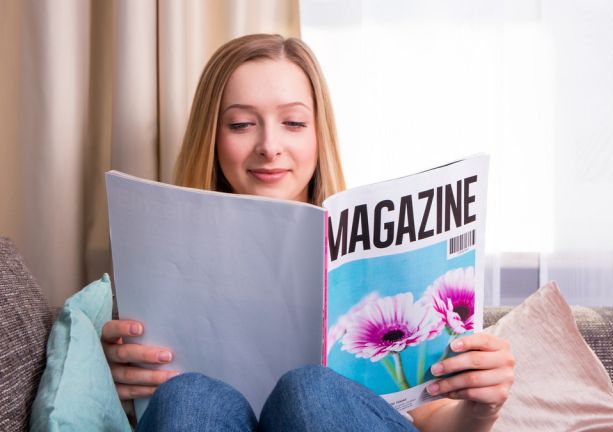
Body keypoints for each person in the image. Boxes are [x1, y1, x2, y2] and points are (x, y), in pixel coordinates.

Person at [101, 34, 515, 432]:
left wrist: (483, 407)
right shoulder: (158, 258)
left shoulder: (378, 255)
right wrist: (113, 380)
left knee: (309, 391)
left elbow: (435, 419)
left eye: (294, 122)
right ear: (212, 138)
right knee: (187, 396)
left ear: (318, 134)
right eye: (242, 124)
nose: (270, 145)